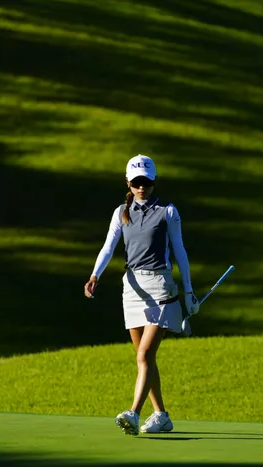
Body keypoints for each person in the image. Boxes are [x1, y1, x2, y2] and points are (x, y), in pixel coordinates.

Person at [83, 154, 200, 436]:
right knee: (144, 357)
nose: (141, 188)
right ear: (128, 183)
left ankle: (133, 413)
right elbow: (108, 246)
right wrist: (95, 274)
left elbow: (180, 251)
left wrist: (188, 291)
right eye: (136, 183)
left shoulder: (168, 211)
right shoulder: (120, 212)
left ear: (154, 182)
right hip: (132, 289)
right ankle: (161, 415)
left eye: (146, 182)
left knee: (145, 354)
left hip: (160, 286)